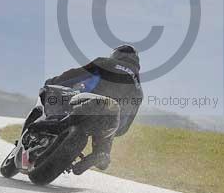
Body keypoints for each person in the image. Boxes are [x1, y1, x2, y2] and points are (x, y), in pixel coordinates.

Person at [23, 44, 143, 172]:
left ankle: (49, 126)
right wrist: (114, 131)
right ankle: (101, 154)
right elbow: (126, 124)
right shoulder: (139, 90)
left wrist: (54, 81)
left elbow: (75, 74)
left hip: (92, 104)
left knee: (62, 101)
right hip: (113, 119)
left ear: (117, 54)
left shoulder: (106, 62)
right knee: (105, 133)